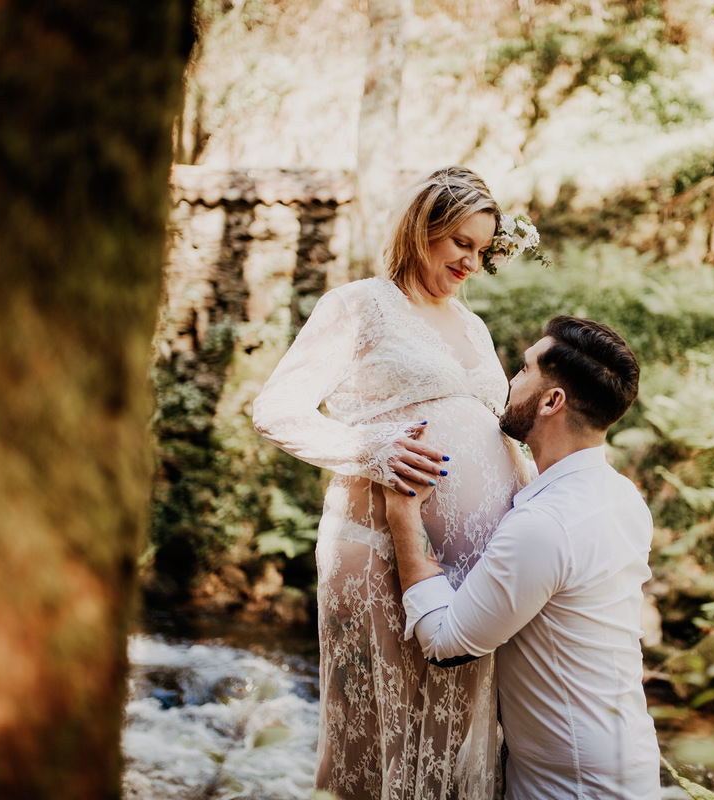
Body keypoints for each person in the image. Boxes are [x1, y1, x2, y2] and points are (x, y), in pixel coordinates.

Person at [251, 166, 534, 800]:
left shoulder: (473, 325)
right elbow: (275, 410)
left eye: (482, 250)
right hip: (376, 546)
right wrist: (371, 450)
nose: (472, 262)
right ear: (422, 227)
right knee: (377, 730)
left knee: (453, 741)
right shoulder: (358, 305)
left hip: (470, 574)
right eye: (461, 243)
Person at [385, 316, 662, 800]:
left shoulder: (545, 523)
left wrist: (403, 516)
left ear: (552, 401)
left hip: (574, 785)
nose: (509, 381)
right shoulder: (622, 497)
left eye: (524, 369)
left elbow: (446, 642)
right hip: (626, 758)